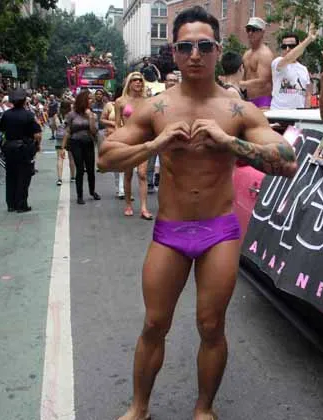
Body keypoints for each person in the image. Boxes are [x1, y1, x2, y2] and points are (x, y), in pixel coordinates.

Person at [98, 6, 297, 420]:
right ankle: (139, 407)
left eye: (204, 46)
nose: (195, 54)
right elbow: (105, 157)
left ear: (217, 50)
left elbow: (286, 159)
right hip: (170, 231)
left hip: (218, 231)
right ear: (173, 51)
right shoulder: (156, 108)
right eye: (186, 46)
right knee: (154, 324)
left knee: (211, 325)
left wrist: (229, 142)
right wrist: (155, 145)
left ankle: (204, 409)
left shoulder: (237, 109)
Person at [115, 72, 153, 219]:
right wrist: (119, 141)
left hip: (143, 140)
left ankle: (144, 208)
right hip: (127, 141)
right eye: (135, 80)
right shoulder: (120, 101)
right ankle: (128, 205)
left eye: (140, 80)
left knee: (142, 174)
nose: (138, 82)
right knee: (128, 174)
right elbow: (117, 124)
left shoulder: (147, 101)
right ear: (129, 83)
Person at [0, 88, 41, 212]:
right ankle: (21, 204)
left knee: (10, 175)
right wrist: (37, 145)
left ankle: (11, 204)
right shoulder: (29, 115)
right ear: (24, 101)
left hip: (9, 147)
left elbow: (2, 129)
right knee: (24, 176)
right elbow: (37, 133)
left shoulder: (6, 114)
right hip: (24, 148)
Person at [61, 90, 101, 204]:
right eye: (89, 99)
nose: (91, 101)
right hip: (75, 143)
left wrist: (91, 118)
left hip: (88, 142)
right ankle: (79, 195)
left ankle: (92, 191)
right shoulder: (72, 114)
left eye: (92, 99)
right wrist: (63, 147)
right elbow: (67, 131)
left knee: (90, 169)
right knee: (80, 169)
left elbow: (94, 131)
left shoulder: (93, 115)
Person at [270, 27, 316, 110]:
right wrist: (308, 40)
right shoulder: (277, 62)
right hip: (278, 112)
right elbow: (289, 58)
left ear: (298, 46)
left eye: (291, 46)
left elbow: (308, 95)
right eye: (284, 46)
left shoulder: (304, 69)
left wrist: (306, 112)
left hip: (298, 114)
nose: (287, 49)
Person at [240, 17, 274, 109]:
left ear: (262, 32)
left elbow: (264, 81)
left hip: (263, 101)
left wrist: (241, 83)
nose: (250, 33)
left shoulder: (265, 54)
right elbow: (242, 76)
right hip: (247, 100)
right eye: (248, 30)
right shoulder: (246, 54)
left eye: (254, 30)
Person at [101, 87, 125, 198]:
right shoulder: (109, 105)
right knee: (116, 163)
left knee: (126, 162)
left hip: (127, 137)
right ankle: (119, 187)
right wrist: (114, 123)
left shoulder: (130, 105)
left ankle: (123, 189)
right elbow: (102, 119)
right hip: (112, 136)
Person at [54, 100, 75, 186]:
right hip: (69, 138)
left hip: (59, 138)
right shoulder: (71, 115)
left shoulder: (57, 115)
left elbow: (55, 126)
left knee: (59, 158)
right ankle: (73, 177)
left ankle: (59, 179)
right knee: (71, 158)